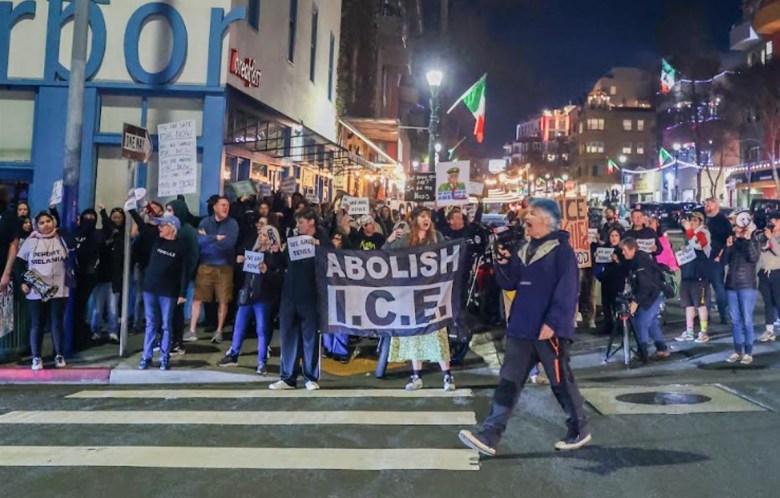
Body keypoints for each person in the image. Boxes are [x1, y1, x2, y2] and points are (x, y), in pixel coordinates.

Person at [458, 198, 589, 456]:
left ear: (548, 220)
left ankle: (579, 428)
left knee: (560, 382)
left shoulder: (562, 250)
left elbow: (568, 290)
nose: (526, 217)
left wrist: (553, 322)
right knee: (509, 381)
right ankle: (490, 435)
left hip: (547, 330)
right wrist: (503, 261)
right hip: (521, 327)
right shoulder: (523, 247)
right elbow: (510, 284)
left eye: (533, 213)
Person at [383, 207, 455, 391]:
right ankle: (416, 376)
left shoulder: (436, 237)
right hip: (411, 295)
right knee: (415, 335)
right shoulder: (406, 239)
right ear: (414, 219)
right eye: (422, 216)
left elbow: (448, 253)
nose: (426, 220)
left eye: (428, 217)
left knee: (437, 334)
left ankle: (447, 376)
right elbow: (384, 255)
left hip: (433, 293)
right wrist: (390, 240)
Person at [269, 207, 329, 391]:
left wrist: (318, 246)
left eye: (301, 222)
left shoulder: (322, 240)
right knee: (288, 336)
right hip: (290, 295)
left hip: (310, 296)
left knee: (311, 337)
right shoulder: (293, 241)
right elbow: (283, 265)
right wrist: (277, 252)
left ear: (311, 222)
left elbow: (331, 261)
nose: (298, 226)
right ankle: (288, 377)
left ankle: (310, 377)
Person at [218, 225, 284, 375]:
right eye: (260, 234)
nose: (261, 237)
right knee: (239, 326)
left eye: (265, 235)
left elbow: (279, 279)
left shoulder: (275, 256)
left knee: (261, 330)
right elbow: (246, 275)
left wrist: (266, 271)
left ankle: (261, 362)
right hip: (248, 295)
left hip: (264, 298)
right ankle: (233, 355)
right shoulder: (254, 251)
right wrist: (240, 263)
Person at [15, 211, 76, 370]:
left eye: (48, 221)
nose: (46, 225)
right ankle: (36, 357)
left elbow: (73, 246)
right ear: (37, 225)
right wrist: (23, 282)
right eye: (41, 222)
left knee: (57, 322)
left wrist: (62, 230)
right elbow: (19, 264)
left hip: (59, 287)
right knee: (37, 323)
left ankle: (59, 354)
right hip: (36, 288)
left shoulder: (61, 237)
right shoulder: (31, 241)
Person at [138, 214, 188, 370]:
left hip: (168, 291)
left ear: (172, 228)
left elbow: (184, 272)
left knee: (166, 324)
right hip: (150, 288)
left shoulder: (180, 246)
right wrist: (137, 208)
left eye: (163, 225)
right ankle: (146, 356)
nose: (159, 227)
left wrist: (182, 293)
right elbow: (144, 227)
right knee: (151, 323)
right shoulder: (156, 240)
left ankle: (164, 358)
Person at [186, 197, 239, 344]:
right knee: (198, 298)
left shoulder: (232, 224)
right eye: (223, 205)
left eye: (227, 205)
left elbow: (229, 243)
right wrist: (216, 237)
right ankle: (191, 330)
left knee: (223, 300)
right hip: (206, 265)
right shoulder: (205, 222)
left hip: (225, 266)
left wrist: (208, 239)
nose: (226, 208)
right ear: (214, 207)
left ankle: (219, 331)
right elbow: (199, 241)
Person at [620, 237, 670, 362]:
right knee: (651, 322)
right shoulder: (639, 259)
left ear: (633, 249)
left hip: (652, 295)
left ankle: (642, 352)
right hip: (653, 293)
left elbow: (646, 285)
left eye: (624, 250)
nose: (622, 253)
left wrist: (636, 302)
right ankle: (662, 348)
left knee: (641, 322)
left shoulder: (640, 261)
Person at [723, 215, 759, 365]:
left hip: (747, 286)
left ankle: (748, 352)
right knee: (735, 320)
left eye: (740, 228)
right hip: (731, 285)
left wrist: (748, 239)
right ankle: (738, 350)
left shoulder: (753, 242)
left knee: (747, 320)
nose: (737, 230)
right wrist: (728, 247)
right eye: (735, 228)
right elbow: (725, 261)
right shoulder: (733, 243)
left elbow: (753, 258)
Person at [165, 198, 199, 355]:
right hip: (171, 277)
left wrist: (185, 276)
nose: (167, 213)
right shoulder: (172, 229)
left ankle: (176, 342)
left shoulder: (186, 231)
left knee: (176, 312)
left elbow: (191, 256)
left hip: (179, 278)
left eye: (170, 210)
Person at [676, 213, 712, 344]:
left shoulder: (704, 233)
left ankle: (703, 332)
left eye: (695, 220)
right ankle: (689, 331)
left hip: (699, 276)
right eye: (690, 220)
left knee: (700, 305)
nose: (691, 222)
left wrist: (689, 230)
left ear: (701, 222)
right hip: (688, 274)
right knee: (688, 305)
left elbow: (699, 245)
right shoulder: (689, 233)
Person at [92, 205, 125, 342]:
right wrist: (104, 213)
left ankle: (112, 331)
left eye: (119, 218)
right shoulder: (100, 235)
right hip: (100, 276)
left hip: (115, 277)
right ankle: (96, 331)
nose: (116, 220)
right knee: (97, 308)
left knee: (113, 308)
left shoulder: (123, 236)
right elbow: (108, 225)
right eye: (114, 218)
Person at [72, 208, 102, 343]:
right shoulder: (75, 232)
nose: (89, 220)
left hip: (87, 275)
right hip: (72, 275)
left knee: (81, 306)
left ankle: (79, 336)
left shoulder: (96, 235)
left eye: (92, 217)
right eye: (86, 217)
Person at [595, 228, 629, 336]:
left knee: (617, 304)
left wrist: (617, 260)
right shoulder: (605, 248)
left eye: (616, 236)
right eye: (611, 236)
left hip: (617, 280)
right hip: (606, 279)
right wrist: (596, 256)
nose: (613, 238)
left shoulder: (622, 250)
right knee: (606, 304)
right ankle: (608, 325)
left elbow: (625, 267)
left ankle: (619, 327)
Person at [704, 198, 733, 324]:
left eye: (709, 203)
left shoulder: (723, 221)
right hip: (703, 258)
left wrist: (720, 256)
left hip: (716, 259)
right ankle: (705, 314)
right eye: (706, 204)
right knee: (704, 288)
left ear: (716, 205)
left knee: (718, 286)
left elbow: (728, 240)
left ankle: (723, 314)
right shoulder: (706, 219)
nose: (707, 206)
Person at [757, 212, 780, 343]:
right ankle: (769, 331)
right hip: (764, 273)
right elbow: (760, 250)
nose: (771, 224)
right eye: (770, 222)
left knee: (778, 301)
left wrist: (771, 239)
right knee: (768, 303)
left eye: (774, 222)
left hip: (777, 273)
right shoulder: (764, 236)